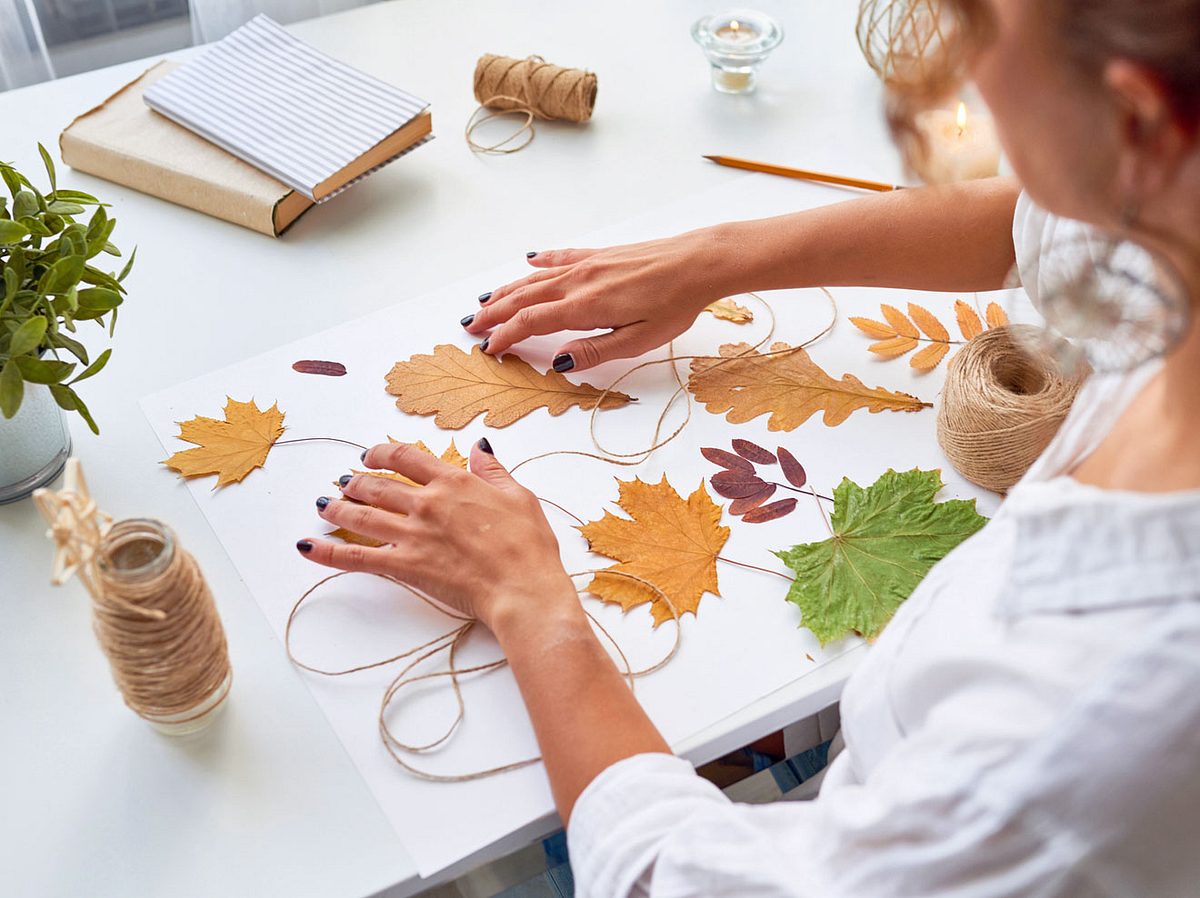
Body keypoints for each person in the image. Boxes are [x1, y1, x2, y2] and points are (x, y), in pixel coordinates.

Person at [295, 0, 1200, 893]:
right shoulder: (1172, 225)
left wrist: (529, 602)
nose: (964, 64)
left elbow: (671, 880)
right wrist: (719, 256)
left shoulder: (1081, 729)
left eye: (984, 26)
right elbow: (1050, 225)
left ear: (1140, 121)